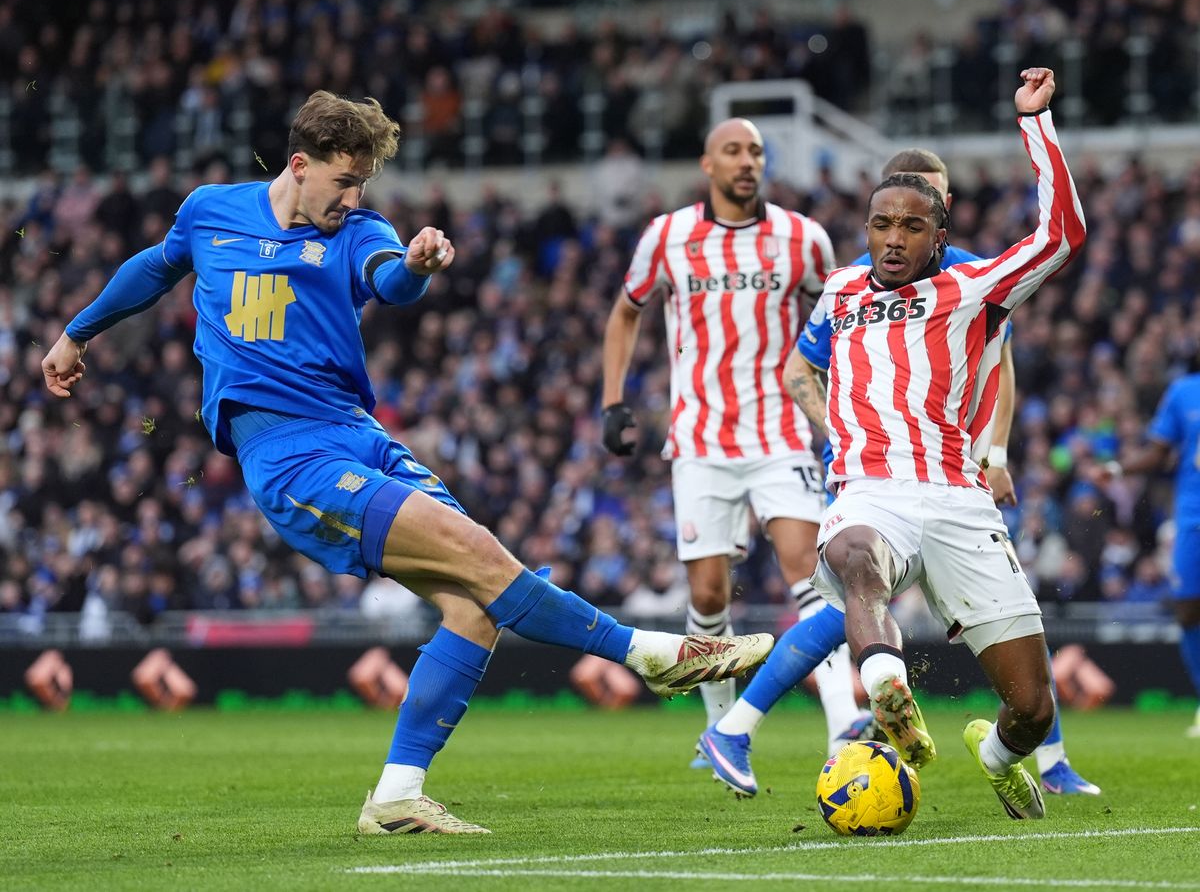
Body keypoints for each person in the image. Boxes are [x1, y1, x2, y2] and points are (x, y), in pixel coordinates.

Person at [40, 90, 775, 835]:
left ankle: (396, 794)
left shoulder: (360, 231)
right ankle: (650, 653)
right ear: (300, 165)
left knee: (475, 603)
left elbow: (388, 277)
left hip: (357, 435)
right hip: (288, 453)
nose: (354, 199)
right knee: (478, 555)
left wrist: (417, 264)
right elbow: (156, 266)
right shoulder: (211, 212)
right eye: (343, 181)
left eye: (363, 184)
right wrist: (76, 334)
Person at [707, 68, 1085, 822]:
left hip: (958, 497)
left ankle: (998, 755)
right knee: (854, 557)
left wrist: (1035, 124)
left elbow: (1062, 236)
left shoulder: (974, 288)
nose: (893, 239)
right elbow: (798, 370)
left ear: (940, 235)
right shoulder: (841, 291)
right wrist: (838, 432)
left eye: (912, 227)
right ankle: (886, 687)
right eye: (881, 224)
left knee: (1033, 708)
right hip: (871, 490)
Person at [601, 117, 865, 766]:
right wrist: (613, 400)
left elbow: (839, 317)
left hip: (781, 431)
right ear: (708, 165)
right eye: (733, 151)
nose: (747, 161)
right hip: (700, 439)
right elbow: (627, 309)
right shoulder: (668, 236)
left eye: (755, 151)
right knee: (709, 596)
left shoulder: (803, 238)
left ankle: (844, 721)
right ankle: (718, 731)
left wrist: (845, 400)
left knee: (809, 570)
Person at [1108, 368, 1200, 738]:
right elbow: (1158, 452)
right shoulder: (1183, 390)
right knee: (1188, 608)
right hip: (1192, 514)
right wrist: (1118, 468)